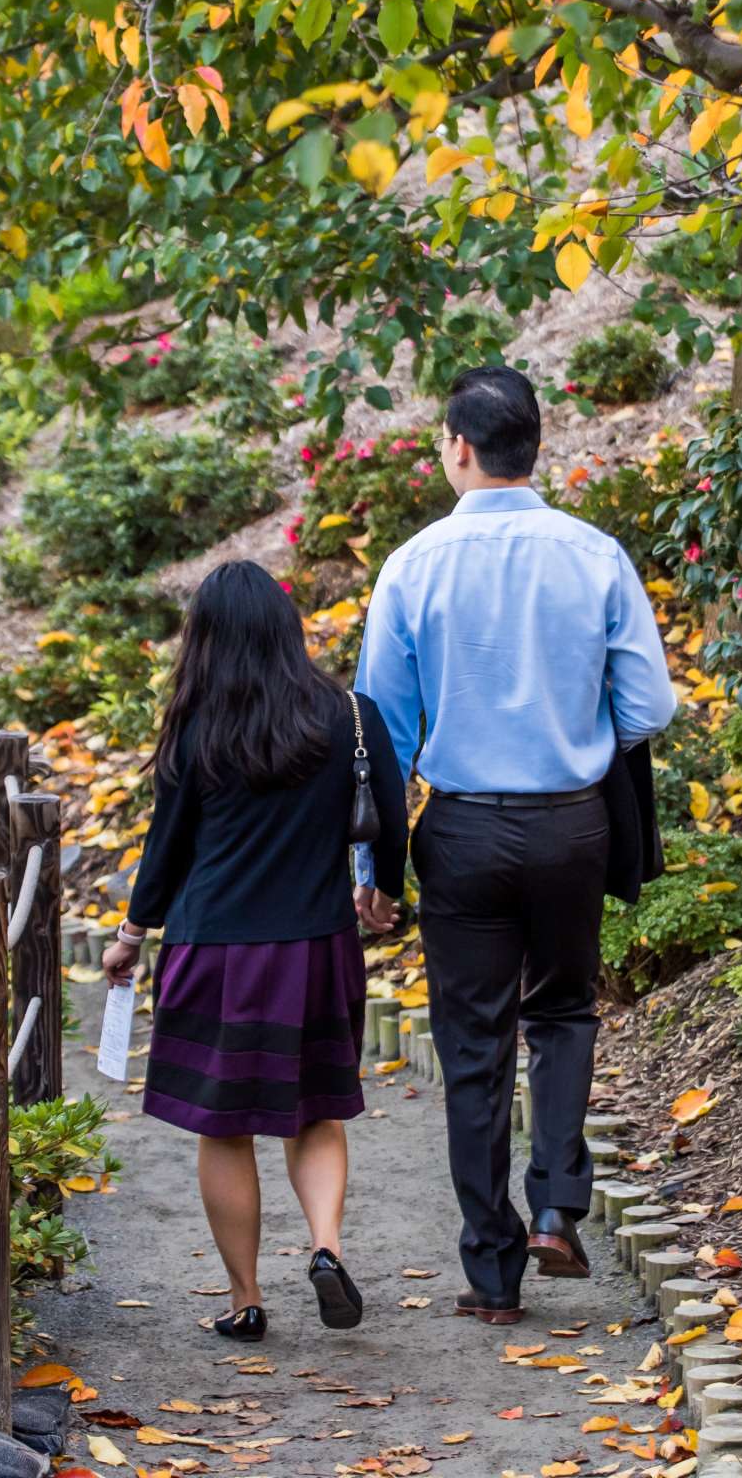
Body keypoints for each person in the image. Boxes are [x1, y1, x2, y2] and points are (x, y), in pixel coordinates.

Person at [353, 364, 677, 1324]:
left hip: (459, 828)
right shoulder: (594, 555)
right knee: (565, 1014)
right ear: (537, 443)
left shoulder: (413, 566)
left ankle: (492, 1274)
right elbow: (649, 705)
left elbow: (383, 736)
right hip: (574, 822)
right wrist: (578, 739)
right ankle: (556, 1208)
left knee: (472, 1045)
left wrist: (375, 866)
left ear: (458, 445)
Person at [103, 560, 406, 1342]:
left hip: (214, 950)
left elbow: (165, 848)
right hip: (315, 946)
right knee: (317, 1115)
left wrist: (131, 936)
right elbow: (393, 813)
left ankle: (245, 1301)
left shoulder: (198, 725)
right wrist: (384, 889)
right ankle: (327, 1249)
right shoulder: (350, 714)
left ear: (205, 638)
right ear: (285, 625)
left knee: (224, 1127)